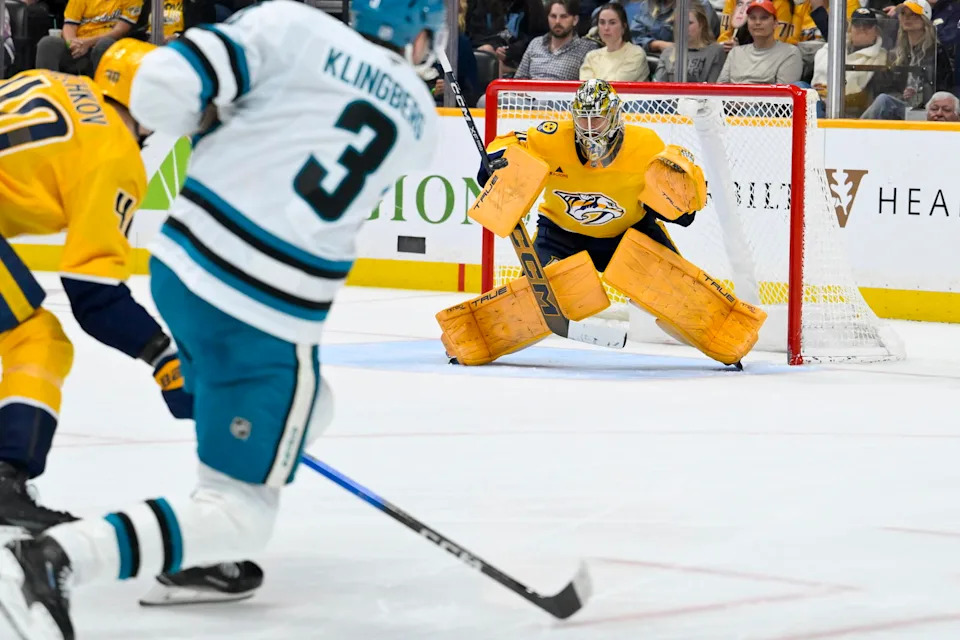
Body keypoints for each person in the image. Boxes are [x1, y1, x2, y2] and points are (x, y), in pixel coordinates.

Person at [0, 0, 442, 636]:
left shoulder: (53, 81)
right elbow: (94, 297)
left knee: (29, 332)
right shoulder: (113, 158)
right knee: (35, 339)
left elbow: (184, 90)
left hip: (188, 261)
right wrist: (161, 359)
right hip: (266, 301)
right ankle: (28, 505)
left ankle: (197, 525)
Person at [436, 79, 766, 369]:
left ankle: (729, 340)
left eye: (598, 116)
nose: (590, 125)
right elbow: (511, 141)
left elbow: (674, 189)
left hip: (629, 232)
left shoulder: (645, 143)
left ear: (615, 115)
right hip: (561, 233)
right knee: (531, 303)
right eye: (583, 116)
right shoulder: (552, 137)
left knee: (677, 293)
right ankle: (468, 340)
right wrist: (496, 157)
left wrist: (680, 204)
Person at [862, 0, 955, 119]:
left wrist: (919, 95)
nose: (907, 18)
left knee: (884, 101)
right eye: (903, 14)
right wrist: (902, 96)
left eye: (913, 14)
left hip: (926, 110)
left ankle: (853, 132)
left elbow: (942, 89)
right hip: (903, 106)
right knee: (883, 99)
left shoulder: (937, 51)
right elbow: (886, 88)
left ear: (924, 19)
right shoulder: (896, 53)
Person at [812, 8, 888, 115]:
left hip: (849, 111)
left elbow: (865, 97)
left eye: (867, 25)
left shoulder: (881, 56)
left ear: (876, 30)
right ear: (850, 28)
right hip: (817, 102)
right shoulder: (830, 48)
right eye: (857, 25)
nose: (862, 29)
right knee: (800, 87)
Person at [717, 0, 803, 83]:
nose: (757, 22)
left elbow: (783, 94)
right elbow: (719, 89)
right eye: (752, 18)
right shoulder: (735, 52)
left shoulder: (790, 53)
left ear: (775, 23)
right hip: (733, 97)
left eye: (764, 18)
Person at [655, 2, 728, 82]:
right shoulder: (668, 52)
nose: (682, 27)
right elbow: (657, 88)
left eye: (689, 23)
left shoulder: (716, 51)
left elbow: (714, 89)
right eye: (678, 23)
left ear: (701, 24)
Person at [580, 2, 649, 81]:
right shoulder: (591, 57)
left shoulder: (636, 54)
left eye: (612, 23)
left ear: (624, 26)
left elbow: (616, 87)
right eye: (602, 22)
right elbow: (586, 88)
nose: (606, 28)